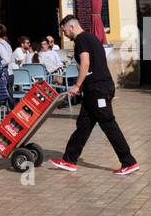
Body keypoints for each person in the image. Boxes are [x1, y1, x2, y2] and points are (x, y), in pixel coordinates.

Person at [49, 14, 139, 176]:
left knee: (108, 123)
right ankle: (69, 160)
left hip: (99, 90)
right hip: (94, 89)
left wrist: (77, 85)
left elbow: (86, 62)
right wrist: (84, 86)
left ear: (71, 26)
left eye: (65, 31)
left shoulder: (82, 39)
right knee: (84, 124)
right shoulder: (91, 38)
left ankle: (129, 162)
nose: (65, 35)